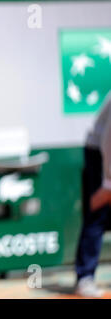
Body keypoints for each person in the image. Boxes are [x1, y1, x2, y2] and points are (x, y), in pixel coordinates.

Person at [75, 92, 111, 298]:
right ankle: (85, 277)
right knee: (98, 211)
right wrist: (108, 184)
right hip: (100, 153)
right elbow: (109, 142)